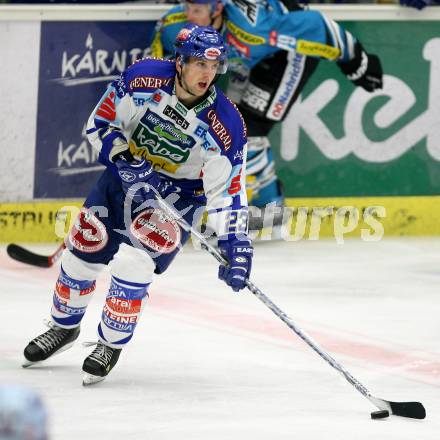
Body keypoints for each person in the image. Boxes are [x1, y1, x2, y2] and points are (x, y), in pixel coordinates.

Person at [22, 25, 253, 386]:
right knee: (83, 250)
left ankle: (109, 345)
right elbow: (100, 121)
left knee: (134, 262)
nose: (207, 74)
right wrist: (122, 156)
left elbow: (228, 191)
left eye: (214, 66)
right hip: (122, 180)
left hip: (175, 200)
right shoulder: (143, 78)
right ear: (180, 62)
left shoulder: (226, 124)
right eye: (198, 64)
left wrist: (234, 239)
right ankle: (63, 328)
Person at [148, 0, 383, 229]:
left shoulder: (252, 26)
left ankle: (268, 207)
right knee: (224, 126)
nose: (189, 14)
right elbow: (156, 65)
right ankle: (265, 203)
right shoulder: (174, 24)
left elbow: (315, 24)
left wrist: (357, 61)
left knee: (247, 130)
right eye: (187, 6)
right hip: (249, 61)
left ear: (217, 8)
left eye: (197, 9)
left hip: (288, 55)